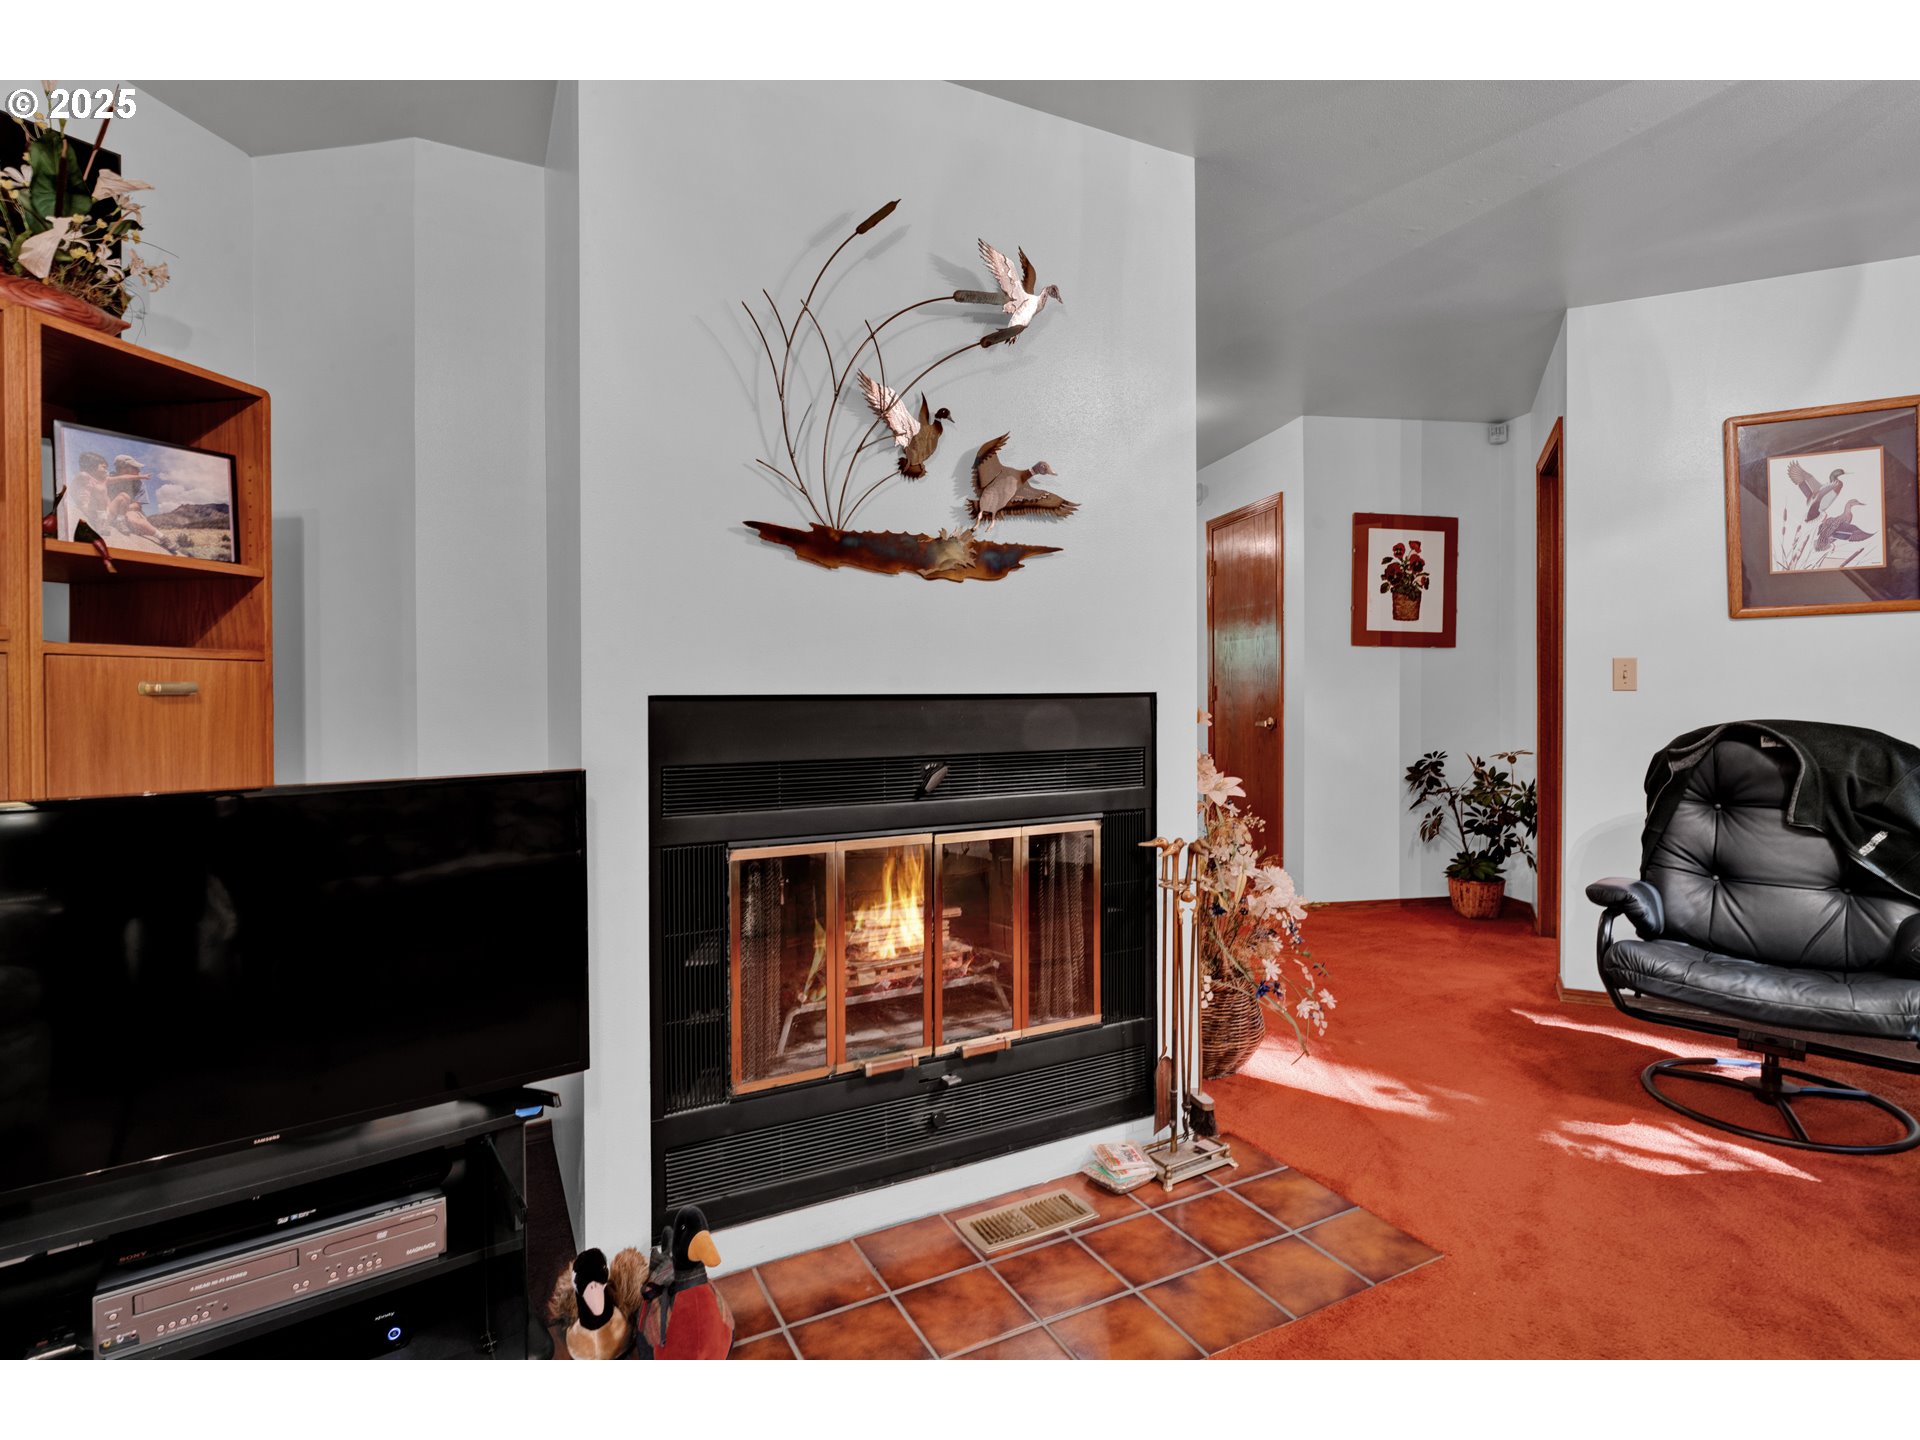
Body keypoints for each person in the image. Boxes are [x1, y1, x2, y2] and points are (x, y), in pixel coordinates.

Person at [102, 454, 180, 554]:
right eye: (135, 467)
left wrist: (123, 508)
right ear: (123, 467)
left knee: (132, 519)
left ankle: (163, 538)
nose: (139, 470)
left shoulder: (139, 483)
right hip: (112, 508)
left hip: (128, 510)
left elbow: (137, 505)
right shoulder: (109, 477)